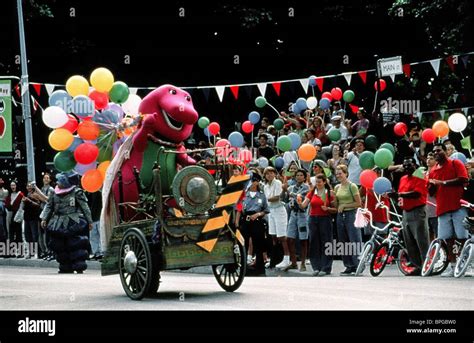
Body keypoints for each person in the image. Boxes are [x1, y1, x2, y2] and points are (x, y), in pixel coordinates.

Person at [428, 142, 469, 277]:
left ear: (446, 152)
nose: (435, 153)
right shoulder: (433, 170)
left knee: (462, 237)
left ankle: (465, 264)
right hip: (443, 208)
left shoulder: (455, 163)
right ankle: (452, 265)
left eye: (438, 150)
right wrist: (431, 185)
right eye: (433, 152)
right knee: (447, 239)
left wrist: (443, 183)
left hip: (458, 206)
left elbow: (463, 179)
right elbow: (433, 192)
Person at [40, 172, 93, 274]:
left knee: (76, 244)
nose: (57, 182)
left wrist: (89, 221)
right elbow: (49, 206)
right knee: (59, 245)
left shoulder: (77, 192)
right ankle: (65, 266)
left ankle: (79, 266)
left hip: (74, 221)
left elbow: (85, 207)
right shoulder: (54, 193)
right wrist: (44, 219)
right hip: (58, 222)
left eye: (60, 181)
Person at [390, 157, 429, 275]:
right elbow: (400, 195)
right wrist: (394, 196)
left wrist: (399, 194)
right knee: (409, 240)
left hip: (417, 210)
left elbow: (417, 193)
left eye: (409, 165)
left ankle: (426, 265)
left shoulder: (420, 175)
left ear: (415, 165)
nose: (407, 167)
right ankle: (417, 265)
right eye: (405, 165)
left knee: (421, 239)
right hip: (406, 212)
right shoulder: (403, 178)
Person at [298, 173, 336, 276]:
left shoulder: (330, 193)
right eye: (317, 182)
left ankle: (326, 267)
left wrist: (327, 209)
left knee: (326, 242)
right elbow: (304, 205)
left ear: (324, 182)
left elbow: (335, 209)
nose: (318, 184)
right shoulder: (312, 192)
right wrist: (299, 202)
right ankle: (316, 267)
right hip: (313, 218)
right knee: (314, 242)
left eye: (320, 182)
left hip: (325, 219)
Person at [236, 172, 269, 276]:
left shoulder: (262, 195)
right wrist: (237, 223)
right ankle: (243, 268)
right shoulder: (244, 195)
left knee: (258, 244)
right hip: (245, 220)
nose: (252, 183)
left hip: (257, 220)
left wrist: (258, 214)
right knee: (243, 244)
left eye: (254, 181)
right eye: (251, 181)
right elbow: (239, 209)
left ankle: (259, 269)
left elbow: (266, 210)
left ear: (257, 182)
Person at [334, 165, 362, 275]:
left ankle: (357, 264)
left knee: (354, 239)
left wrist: (345, 205)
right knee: (343, 241)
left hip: (351, 214)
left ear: (346, 173)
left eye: (340, 173)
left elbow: (358, 203)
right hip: (341, 215)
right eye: (337, 174)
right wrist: (334, 199)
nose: (338, 175)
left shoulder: (352, 186)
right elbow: (336, 204)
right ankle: (348, 265)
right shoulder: (337, 187)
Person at [263, 167, 290, 269]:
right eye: (267, 174)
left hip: (279, 210)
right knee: (273, 236)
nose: (269, 175)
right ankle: (275, 259)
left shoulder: (278, 183)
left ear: (274, 174)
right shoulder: (265, 186)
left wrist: (265, 200)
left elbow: (277, 197)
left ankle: (287, 259)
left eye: (271, 173)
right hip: (271, 211)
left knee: (282, 237)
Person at [286, 169, 310, 272]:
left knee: (303, 239)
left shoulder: (306, 187)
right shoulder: (292, 187)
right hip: (293, 214)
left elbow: (301, 197)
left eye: (301, 175)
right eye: (297, 175)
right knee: (289, 238)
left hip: (302, 214)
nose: (299, 177)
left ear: (304, 177)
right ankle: (294, 262)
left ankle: (303, 263)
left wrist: (293, 195)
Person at [22, 182, 42, 258]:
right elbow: (24, 207)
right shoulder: (26, 195)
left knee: (35, 236)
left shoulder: (35, 194)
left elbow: (38, 205)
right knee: (28, 236)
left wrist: (29, 201)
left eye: (30, 186)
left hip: (33, 217)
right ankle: (30, 252)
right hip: (26, 217)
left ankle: (38, 252)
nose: (29, 187)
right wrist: (24, 202)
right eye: (28, 186)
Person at [5, 181, 24, 255]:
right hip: (10, 215)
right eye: (11, 185)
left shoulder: (20, 195)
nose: (13, 186)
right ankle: (12, 252)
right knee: (11, 234)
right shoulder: (9, 196)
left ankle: (20, 252)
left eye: (14, 185)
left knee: (19, 234)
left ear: (16, 186)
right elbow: (7, 205)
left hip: (18, 215)